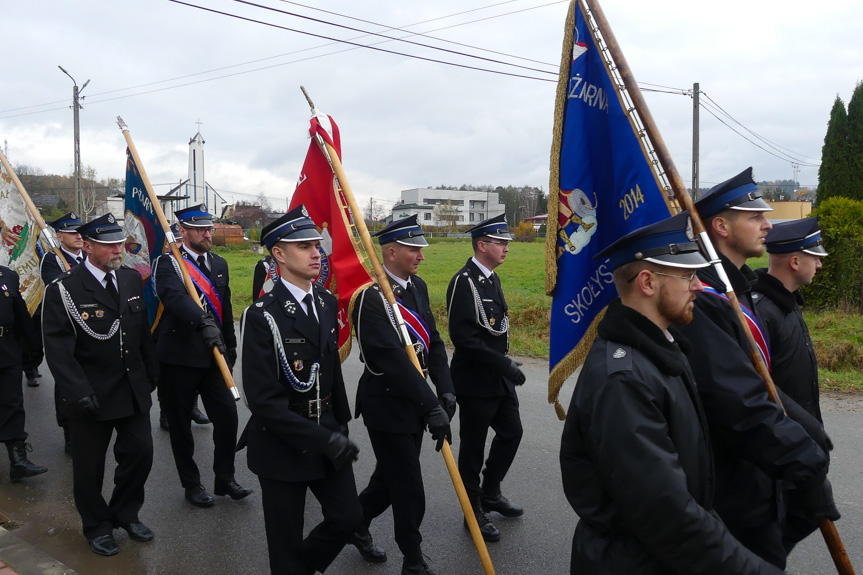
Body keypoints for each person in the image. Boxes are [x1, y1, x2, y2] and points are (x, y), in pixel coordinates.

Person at [560, 211, 785, 574]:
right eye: (688, 275)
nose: (698, 286)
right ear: (648, 282)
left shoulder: (661, 351)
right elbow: (665, 511)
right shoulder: (624, 380)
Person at [676, 168, 831, 568]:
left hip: (759, 472)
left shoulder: (740, 288)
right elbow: (735, 399)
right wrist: (804, 449)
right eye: (755, 217)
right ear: (722, 226)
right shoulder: (706, 298)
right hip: (733, 481)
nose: (767, 225)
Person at [239, 206, 363, 575]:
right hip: (281, 443)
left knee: (348, 517)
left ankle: (300, 567)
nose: (316, 253)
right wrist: (322, 439)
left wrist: (339, 424)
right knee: (285, 540)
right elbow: (263, 401)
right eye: (304, 246)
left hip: (326, 430)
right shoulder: (262, 316)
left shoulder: (324, 301)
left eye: (317, 245)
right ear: (278, 253)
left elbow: (330, 371)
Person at [42, 213, 157, 557]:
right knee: (89, 469)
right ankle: (96, 525)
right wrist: (76, 392)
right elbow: (58, 349)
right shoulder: (64, 289)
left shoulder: (130, 279)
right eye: (108, 245)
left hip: (131, 388)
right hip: (90, 393)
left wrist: (152, 375)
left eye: (119, 243)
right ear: (88, 245)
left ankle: (125, 512)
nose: (117, 250)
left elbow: (141, 333)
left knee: (140, 454)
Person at [352, 214, 455, 575]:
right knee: (408, 485)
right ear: (391, 251)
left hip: (418, 401)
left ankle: (355, 522)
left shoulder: (418, 287)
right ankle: (412, 558)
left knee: (389, 479)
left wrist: (446, 391)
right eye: (414, 249)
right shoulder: (369, 299)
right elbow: (392, 362)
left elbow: (435, 342)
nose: (421, 256)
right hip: (387, 405)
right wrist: (431, 406)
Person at [153, 204, 251, 507]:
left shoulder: (219, 263)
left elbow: (224, 308)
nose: (207, 233)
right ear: (182, 231)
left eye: (209, 228)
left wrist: (231, 346)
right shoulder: (167, 264)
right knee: (181, 426)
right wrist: (202, 321)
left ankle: (225, 477)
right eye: (200, 229)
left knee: (227, 418)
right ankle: (191, 484)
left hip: (213, 356)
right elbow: (174, 298)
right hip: (178, 357)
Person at [752, 217, 838, 554]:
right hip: (782, 447)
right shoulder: (763, 311)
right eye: (815, 256)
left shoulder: (787, 304)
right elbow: (761, 388)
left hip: (801, 442)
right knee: (773, 537)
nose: (819, 263)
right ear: (794, 261)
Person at [446, 214, 524, 542]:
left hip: (498, 378)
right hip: (476, 381)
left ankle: (491, 491)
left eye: (506, 242)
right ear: (482, 245)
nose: (506, 247)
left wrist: (504, 365)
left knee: (512, 432)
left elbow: (495, 329)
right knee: (473, 447)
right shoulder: (464, 282)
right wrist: (503, 364)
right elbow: (463, 338)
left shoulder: (492, 279)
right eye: (500, 242)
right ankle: (472, 509)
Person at [156, 222, 210, 432]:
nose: (177, 246)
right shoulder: (165, 264)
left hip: (195, 324)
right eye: (174, 243)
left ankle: (193, 407)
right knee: (167, 375)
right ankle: (165, 411)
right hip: (165, 322)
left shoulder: (196, 264)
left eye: (179, 242)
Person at [39, 212, 87, 451]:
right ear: (59, 236)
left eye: (80, 231)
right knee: (67, 378)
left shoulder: (89, 256)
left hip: (93, 326)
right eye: (72, 232)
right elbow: (56, 288)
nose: (79, 236)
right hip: (67, 326)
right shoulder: (52, 260)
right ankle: (69, 429)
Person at [0, 252, 47, 483]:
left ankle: (18, 461)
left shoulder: (7, 275)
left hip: (5, 350)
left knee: (13, 404)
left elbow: (20, 315)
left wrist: (34, 349)